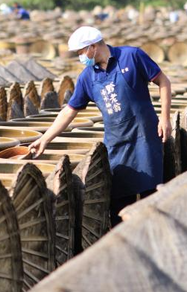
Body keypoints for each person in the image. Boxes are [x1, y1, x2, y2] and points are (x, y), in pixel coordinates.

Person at [29, 26, 172, 226]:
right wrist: (45, 138)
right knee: (120, 207)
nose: (80, 57)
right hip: (117, 145)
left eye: (81, 52)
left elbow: (163, 81)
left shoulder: (132, 56)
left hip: (145, 138)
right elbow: (69, 111)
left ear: (93, 47)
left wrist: (165, 118)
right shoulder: (88, 77)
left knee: (152, 198)